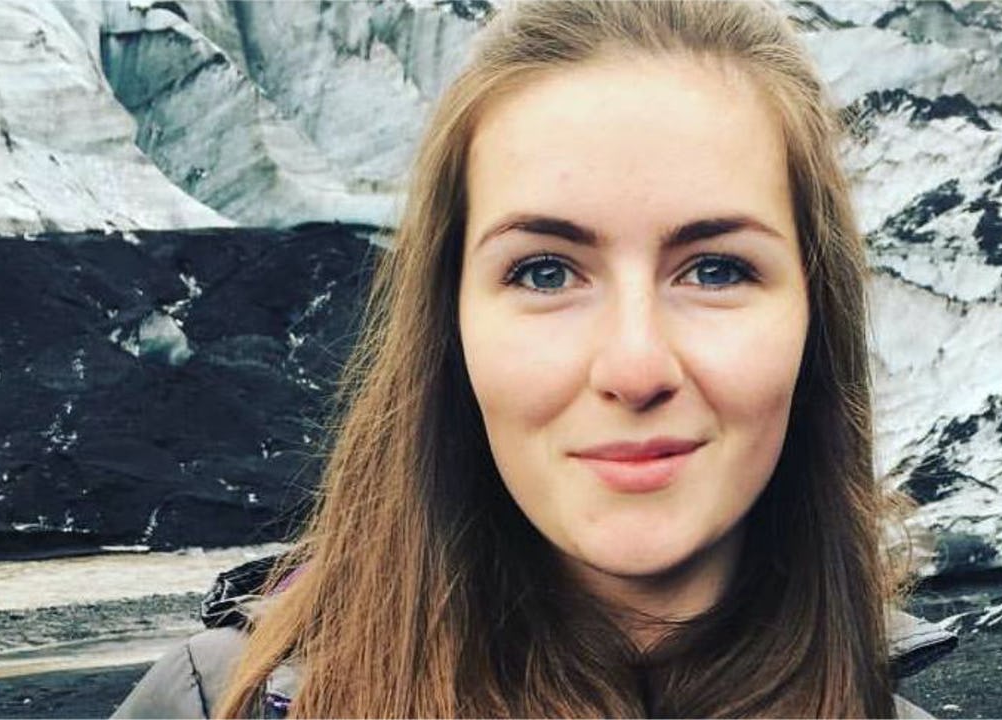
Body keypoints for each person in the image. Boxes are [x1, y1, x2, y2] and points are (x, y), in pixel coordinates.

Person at [114, 1, 956, 717]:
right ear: (451, 326)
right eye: (546, 272)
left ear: (815, 317)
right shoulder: (217, 704)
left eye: (717, 269)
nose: (634, 366)